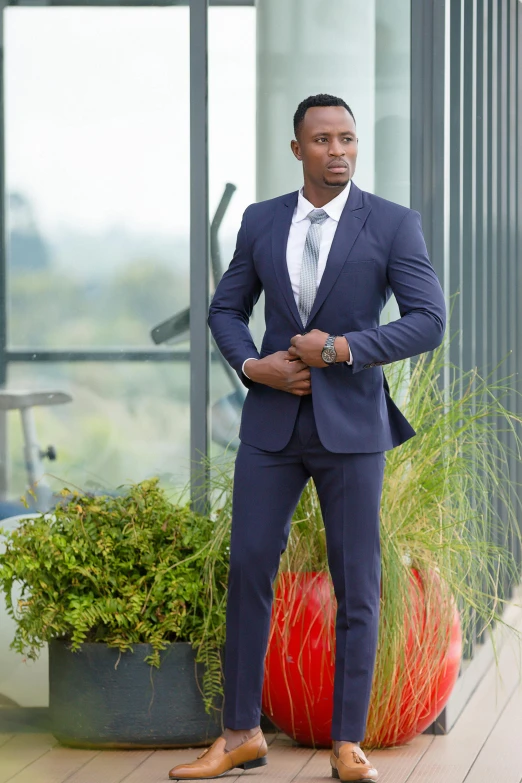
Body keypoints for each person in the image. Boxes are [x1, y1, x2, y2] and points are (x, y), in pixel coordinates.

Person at [168, 94, 446, 783]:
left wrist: (343, 348)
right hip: (270, 424)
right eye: (322, 139)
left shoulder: (391, 223)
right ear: (298, 149)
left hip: (352, 427)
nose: (338, 150)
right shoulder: (261, 221)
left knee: (359, 582)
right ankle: (239, 733)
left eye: (347, 138)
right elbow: (226, 307)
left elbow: (428, 320)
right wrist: (252, 364)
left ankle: (347, 743)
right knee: (249, 570)